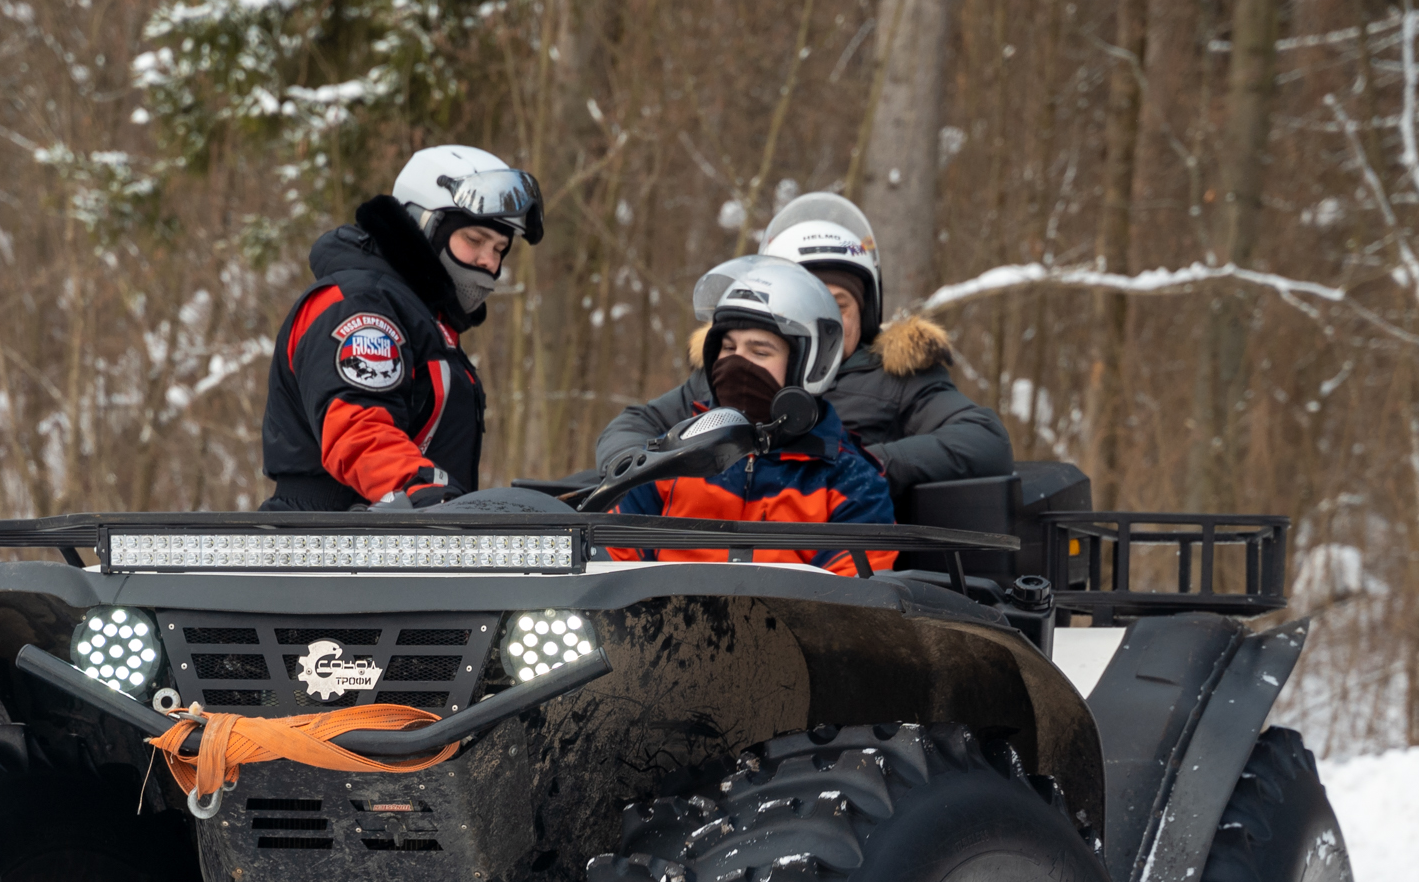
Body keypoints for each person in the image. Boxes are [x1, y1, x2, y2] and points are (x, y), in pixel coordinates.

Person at [260, 145, 542, 511]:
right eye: (474, 240)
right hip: (335, 540)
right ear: (426, 225)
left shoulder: (425, 323)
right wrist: (416, 485)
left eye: (500, 248)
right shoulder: (361, 304)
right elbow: (358, 425)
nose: (489, 261)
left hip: (404, 538)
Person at [604, 257, 895, 572]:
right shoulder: (671, 458)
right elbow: (611, 565)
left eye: (759, 352)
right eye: (728, 349)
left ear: (809, 366)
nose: (737, 364)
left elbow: (856, 605)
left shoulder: (850, 481)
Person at [760, 191, 1013, 499]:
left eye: (838, 305)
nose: (822, 320)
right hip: (730, 543)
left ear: (864, 314)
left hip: (844, 541)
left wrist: (865, 465)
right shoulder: (730, 367)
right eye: (805, 303)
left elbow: (984, 440)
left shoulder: (897, 380)